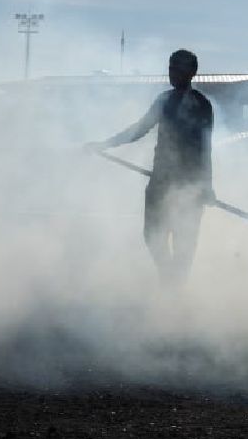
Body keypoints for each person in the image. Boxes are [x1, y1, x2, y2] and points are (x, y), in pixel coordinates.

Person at [86, 49, 214, 288]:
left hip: (190, 185)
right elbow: (139, 129)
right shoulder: (164, 101)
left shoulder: (202, 105)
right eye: (170, 67)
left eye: (177, 69)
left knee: (184, 244)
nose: (171, 73)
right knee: (152, 236)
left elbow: (205, 147)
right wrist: (105, 144)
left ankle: (175, 294)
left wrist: (206, 185)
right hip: (161, 181)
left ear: (192, 72)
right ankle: (169, 280)